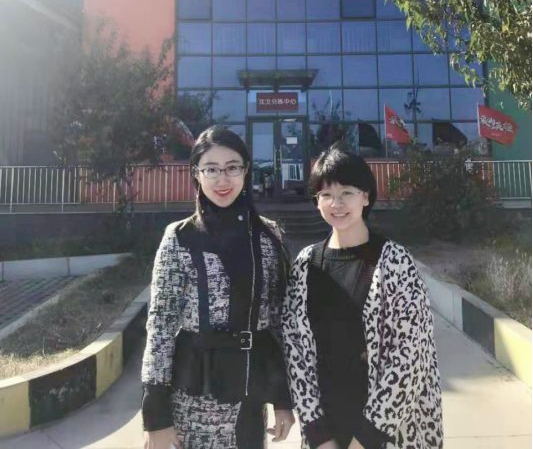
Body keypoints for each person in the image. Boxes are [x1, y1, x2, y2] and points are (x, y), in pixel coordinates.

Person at [142, 126, 295, 449]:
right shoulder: (180, 237)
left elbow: (278, 322)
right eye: (211, 169)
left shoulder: (268, 237)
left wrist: (283, 398)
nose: (222, 180)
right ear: (196, 174)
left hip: (250, 396)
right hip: (193, 399)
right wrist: (156, 417)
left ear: (246, 171)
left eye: (232, 168)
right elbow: (160, 327)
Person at [282, 143, 443, 449]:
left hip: (386, 431)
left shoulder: (395, 261)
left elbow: (409, 357)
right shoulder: (305, 264)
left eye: (347, 192)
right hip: (326, 427)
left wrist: (367, 439)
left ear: (365, 196)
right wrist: (318, 434)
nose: (336, 203)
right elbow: (295, 353)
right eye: (326, 195)